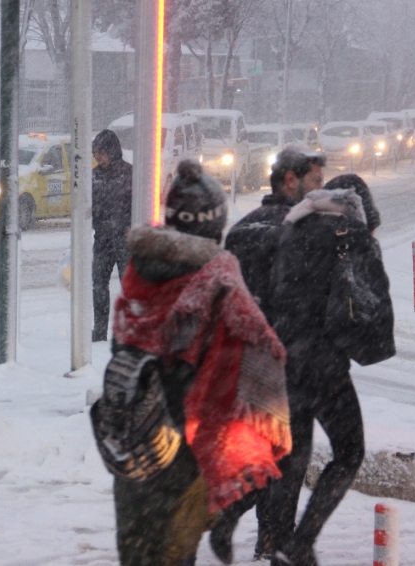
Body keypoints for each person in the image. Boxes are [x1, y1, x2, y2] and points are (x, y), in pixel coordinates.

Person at [107, 160, 292, 566]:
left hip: (132, 448)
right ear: (215, 223)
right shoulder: (218, 280)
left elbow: (123, 348)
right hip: (183, 458)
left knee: (137, 556)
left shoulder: (142, 271)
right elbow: (260, 353)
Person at [264, 180, 391, 566]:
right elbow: (371, 302)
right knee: (349, 453)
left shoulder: (290, 230)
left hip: (283, 360)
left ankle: (280, 544)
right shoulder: (350, 235)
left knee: (292, 459)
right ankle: (299, 543)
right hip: (323, 365)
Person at [216, 148, 327, 561]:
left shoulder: (241, 229)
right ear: (290, 181)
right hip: (290, 363)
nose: (321, 190)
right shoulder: (303, 233)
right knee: (288, 457)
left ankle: (240, 525)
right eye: (315, 182)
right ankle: (272, 538)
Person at [92, 129, 133, 341]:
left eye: (101, 152)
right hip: (102, 239)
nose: (97, 156)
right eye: (95, 152)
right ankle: (99, 330)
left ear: (112, 151)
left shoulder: (130, 174)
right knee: (99, 284)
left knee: (129, 288)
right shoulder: (94, 176)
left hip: (125, 240)